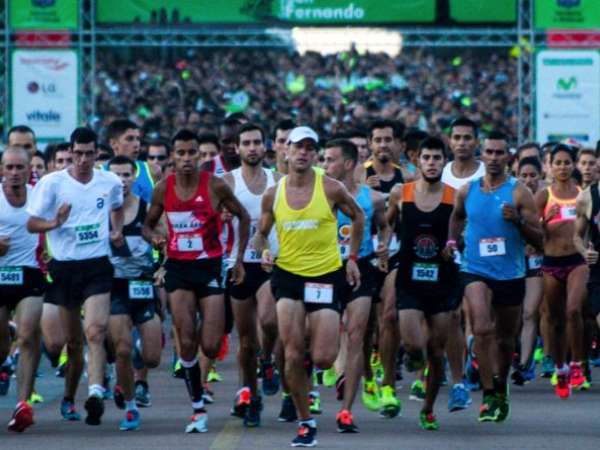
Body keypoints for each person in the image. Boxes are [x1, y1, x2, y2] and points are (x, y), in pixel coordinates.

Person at [255, 126, 364, 447]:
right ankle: (305, 422)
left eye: (309, 148)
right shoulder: (273, 194)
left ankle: (306, 372)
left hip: (326, 276)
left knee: (324, 358)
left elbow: (357, 217)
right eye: (296, 147)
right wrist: (262, 247)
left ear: (315, 154)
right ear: (285, 151)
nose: (302, 153)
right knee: (291, 352)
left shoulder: (330, 188)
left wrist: (353, 257)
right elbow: (262, 230)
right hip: (288, 276)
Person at [142, 129, 250, 433]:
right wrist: (156, 239)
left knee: (212, 344)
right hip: (178, 268)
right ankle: (197, 405)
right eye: (182, 153)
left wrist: (238, 259)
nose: (188, 158)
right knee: (186, 339)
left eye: (193, 153)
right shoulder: (163, 189)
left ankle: (201, 384)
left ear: (199, 156)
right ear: (173, 157)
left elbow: (243, 217)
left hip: (210, 267)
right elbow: (146, 226)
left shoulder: (214, 185)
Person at [26, 127, 125, 426]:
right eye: (78, 153)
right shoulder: (52, 183)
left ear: (97, 154)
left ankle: (95, 392)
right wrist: (55, 221)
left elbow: (117, 207)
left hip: (96, 265)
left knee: (95, 330)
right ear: (70, 152)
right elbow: (31, 224)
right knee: (71, 343)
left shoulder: (109, 181)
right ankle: (69, 396)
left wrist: (116, 229)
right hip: (64, 267)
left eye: (89, 154)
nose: (83, 159)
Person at [446, 130, 542, 422]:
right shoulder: (468, 190)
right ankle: (488, 393)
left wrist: (519, 221)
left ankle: (500, 387)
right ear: (482, 154)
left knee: (505, 339)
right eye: (489, 152)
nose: (494, 158)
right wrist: (452, 242)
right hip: (474, 269)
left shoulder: (518, 192)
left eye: (500, 153)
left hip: (510, 273)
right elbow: (457, 216)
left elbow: (540, 240)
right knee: (482, 327)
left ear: (508, 157)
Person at [387, 136, 458, 430]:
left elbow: (463, 231)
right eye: (426, 158)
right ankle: (412, 357)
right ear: (418, 161)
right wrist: (383, 245)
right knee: (413, 343)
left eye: (437, 158)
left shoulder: (455, 196)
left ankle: (428, 408)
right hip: (409, 279)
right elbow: (387, 224)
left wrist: (455, 244)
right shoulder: (401, 193)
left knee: (438, 351)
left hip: (442, 280)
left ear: (444, 161)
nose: (431, 163)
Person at [322, 138, 389, 433]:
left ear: (349, 163)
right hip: (324, 268)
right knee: (326, 332)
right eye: (324, 160)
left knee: (358, 331)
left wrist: (384, 244)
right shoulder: (318, 194)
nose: (325, 165)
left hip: (360, 268)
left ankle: (347, 410)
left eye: (330, 160)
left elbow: (385, 225)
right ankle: (335, 371)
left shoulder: (373, 198)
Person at [222, 123, 281, 428]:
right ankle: (252, 396)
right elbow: (211, 219)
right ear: (237, 148)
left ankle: (268, 360)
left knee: (270, 321)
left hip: (271, 263)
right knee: (245, 342)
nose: (253, 147)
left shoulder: (278, 180)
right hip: (239, 263)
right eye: (247, 143)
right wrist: (220, 217)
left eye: (258, 142)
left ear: (265, 146)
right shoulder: (226, 182)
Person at [107, 155, 162, 431]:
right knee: (122, 350)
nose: (121, 180)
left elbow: (166, 241)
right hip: (115, 287)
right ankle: (129, 407)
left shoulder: (147, 208)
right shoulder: (100, 212)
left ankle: (134, 369)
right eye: (115, 175)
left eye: (127, 175)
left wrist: (156, 244)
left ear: (134, 177)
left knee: (152, 357)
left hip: (142, 285)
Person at [535, 144, 588, 398]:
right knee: (555, 320)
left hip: (577, 261)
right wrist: (545, 220)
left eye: (567, 162)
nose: (563, 167)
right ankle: (560, 367)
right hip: (551, 263)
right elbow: (533, 233)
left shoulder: (583, 194)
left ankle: (577, 364)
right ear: (550, 165)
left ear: (573, 164)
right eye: (558, 163)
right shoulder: (544, 196)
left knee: (573, 310)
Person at [0, 147, 47, 432]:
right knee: (2, 348)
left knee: (28, 336)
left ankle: (23, 405)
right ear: (2, 170)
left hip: (30, 273)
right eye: (10, 167)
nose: (15, 173)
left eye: (20, 167)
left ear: (30, 170)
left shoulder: (39, 195)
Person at [441, 116, 484, 412]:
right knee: (453, 315)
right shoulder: (442, 173)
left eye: (468, 137)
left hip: (483, 256)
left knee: (479, 317)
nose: (462, 143)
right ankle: (459, 378)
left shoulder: (486, 172)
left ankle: (476, 357)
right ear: (450, 141)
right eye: (457, 137)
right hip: (450, 255)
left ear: (476, 142)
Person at [512, 157, 545, 385]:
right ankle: (513, 354)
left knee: (530, 312)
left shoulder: (545, 197)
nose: (528, 180)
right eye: (523, 175)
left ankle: (525, 364)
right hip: (511, 262)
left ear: (540, 176)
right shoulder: (510, 197)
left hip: (538, 262)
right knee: (513, 316)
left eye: (533, 175)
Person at [107, 119, 159, 203]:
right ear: (113, 143)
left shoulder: (152, 170)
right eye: (130, 139)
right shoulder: (99, 172)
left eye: (138, 139)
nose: (136, 144)